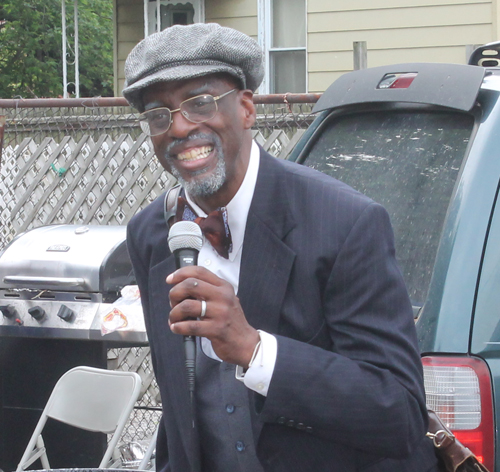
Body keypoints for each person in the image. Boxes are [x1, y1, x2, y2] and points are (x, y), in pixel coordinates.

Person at [123, 23, 439, 472]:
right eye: (159, 114)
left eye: (199, 103)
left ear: (247, 108)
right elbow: (181, 410)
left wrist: (254, 350)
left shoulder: (345, 222)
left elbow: (399, 413)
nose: (179, 127)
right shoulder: (150, 233)